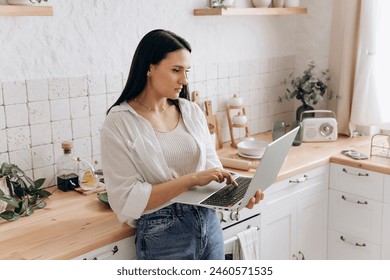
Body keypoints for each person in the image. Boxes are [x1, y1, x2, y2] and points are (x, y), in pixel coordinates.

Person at [100, 29, 264, 260]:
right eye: (176, 70)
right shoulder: (119, 122)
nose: (184, 80)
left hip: (209, 222)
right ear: (150, 68)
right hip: (163, 234)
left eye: (186, 71)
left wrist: (237, 196)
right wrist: (192, 179)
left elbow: (212, 169)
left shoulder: (190, 111)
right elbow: (126, 199)